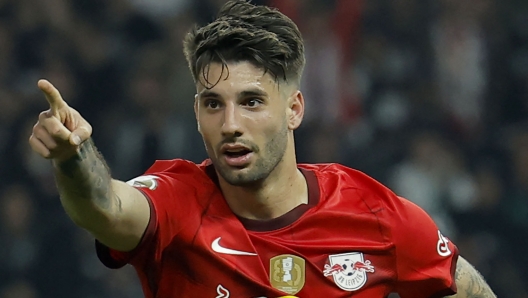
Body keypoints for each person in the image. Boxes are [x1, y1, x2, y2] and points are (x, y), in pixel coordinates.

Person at [28, 0, 496, 297]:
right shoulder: (177, 199)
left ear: (294, 109)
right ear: (196, 112)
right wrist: (74, 156)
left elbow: (461, 285)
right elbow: (105, 208)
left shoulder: (373, 214)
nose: (230, 125)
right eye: (213, 104)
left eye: (251, 102)